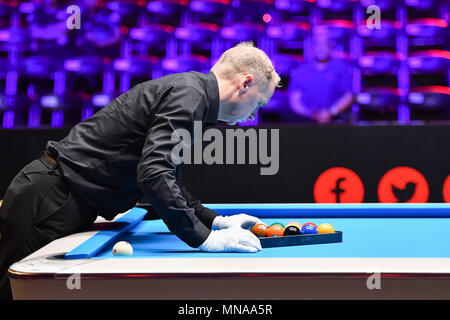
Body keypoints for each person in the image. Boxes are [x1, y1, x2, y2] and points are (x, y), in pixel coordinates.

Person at [0, 42, 281, 299]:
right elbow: (154, 174)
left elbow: (164, 177)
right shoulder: (190, 96)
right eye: (258, 103)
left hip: (60, 195)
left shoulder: (193, 96)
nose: (251, 117)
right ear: (245, 83)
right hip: (51, 197)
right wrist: (206, 239)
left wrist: (216, 221)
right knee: (13, 294)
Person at [289, 33, 354, 124]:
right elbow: (294, 99)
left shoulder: (341, 68)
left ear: (330, 47)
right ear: (312, 47)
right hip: (306, 122)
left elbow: (348, 95)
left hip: (336, 121)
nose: (321, 48)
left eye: (324, 44)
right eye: (318, 44)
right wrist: (309, 113)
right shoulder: (301, 69)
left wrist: (331, 112)